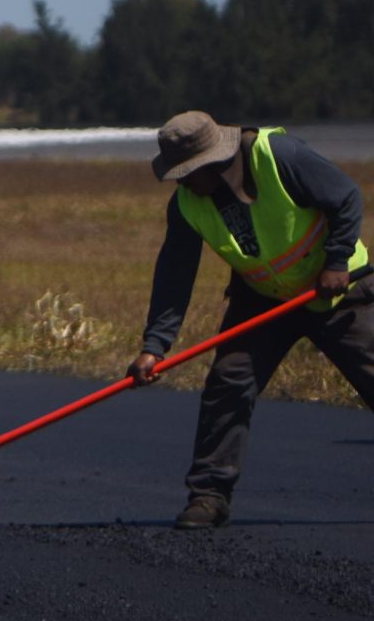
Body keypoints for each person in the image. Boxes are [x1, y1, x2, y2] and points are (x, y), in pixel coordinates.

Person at [128, 111, 372, 529]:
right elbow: (174, 274)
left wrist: (336, 263)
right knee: (228, 383)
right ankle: (208, 496)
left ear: (212, 162)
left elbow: (346, 196)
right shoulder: (188, 204)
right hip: (264, 301)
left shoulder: (280, 156)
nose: (182, 183)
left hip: (337, 293)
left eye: (186, 174)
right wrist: (155, 346)